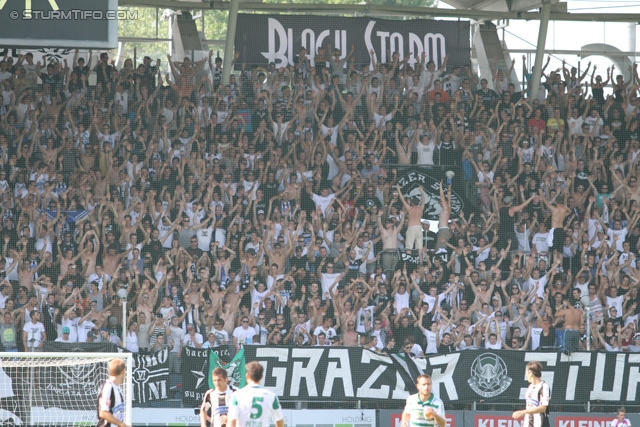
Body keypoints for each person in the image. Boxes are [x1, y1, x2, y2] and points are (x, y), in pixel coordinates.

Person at [228, 361, 284, 427]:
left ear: (247, 376)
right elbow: (279, 419)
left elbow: (232, 421)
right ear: (261, 377)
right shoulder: (271, 396)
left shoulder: (236, 396)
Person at [512, 361, 551, 427]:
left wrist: (524, 412)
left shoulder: (544, 387)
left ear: (530, 373)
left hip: (540, 424)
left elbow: (543, 408)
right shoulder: (530, 387)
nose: (526, 375)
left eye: (527, 373)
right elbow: (530, 406)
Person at [97, 359, 130, 427]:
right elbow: (103, 413)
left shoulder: (117, 389)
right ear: (123, 372)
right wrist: (122, 425)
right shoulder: (108, 387)